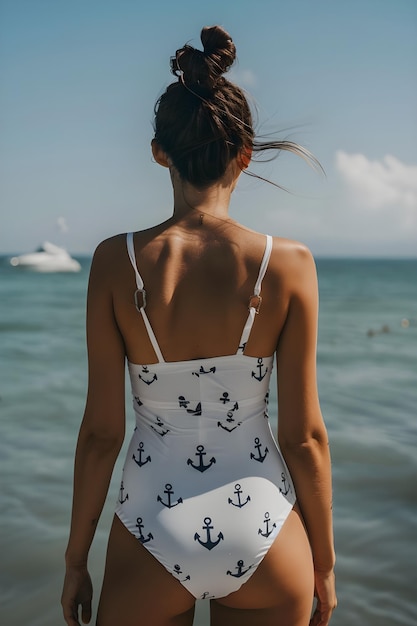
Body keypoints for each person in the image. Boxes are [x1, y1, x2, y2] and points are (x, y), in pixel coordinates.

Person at [61, 25, 336, 626]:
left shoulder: (116, 261)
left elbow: (102, 434)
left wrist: (76, 559)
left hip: (150, 524)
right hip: (264, 524)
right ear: (245, 152)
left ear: (159, 151)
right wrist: (323, 562)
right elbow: (304, 437)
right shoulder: (287, 265)